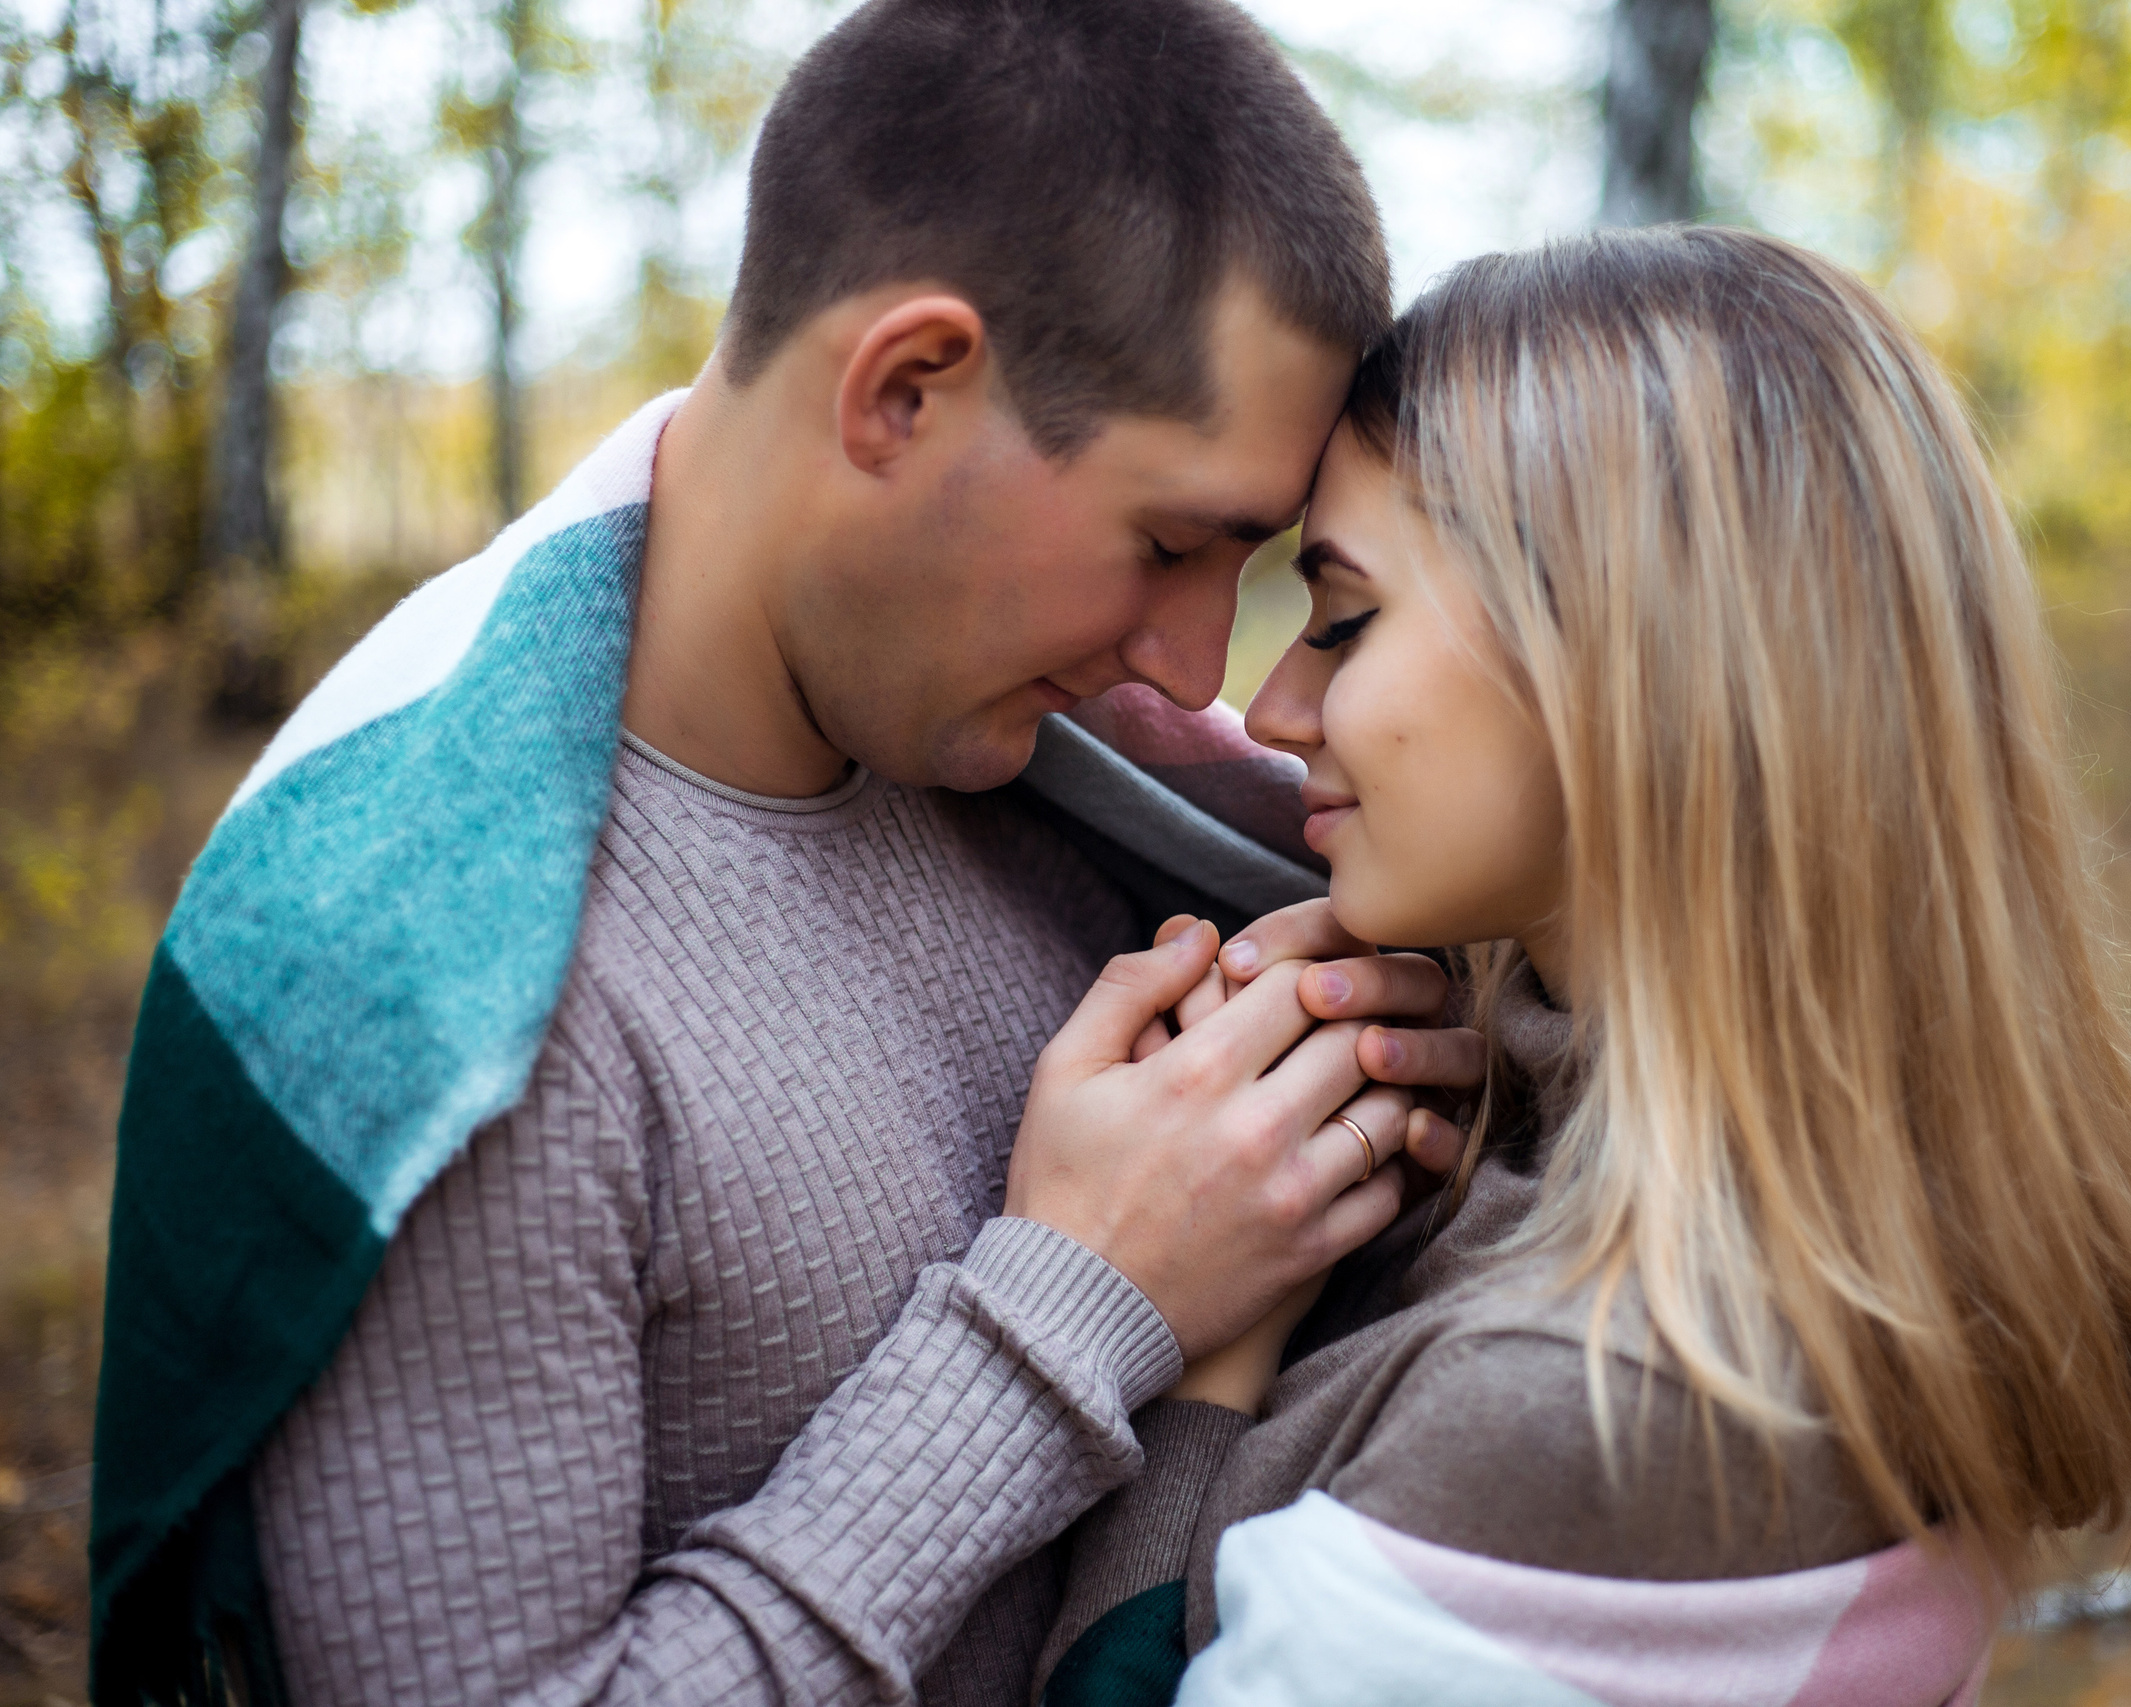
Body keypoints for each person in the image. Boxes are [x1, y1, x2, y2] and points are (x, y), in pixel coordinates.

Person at [86, 3, 1485, 1703]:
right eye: (1171, 543)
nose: (1199, 672)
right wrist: (1064, 1315)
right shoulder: (440, 1000)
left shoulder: (1095, 797)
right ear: (904, 388)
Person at [1035, 226, 2131, 1706]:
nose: (1272, 706)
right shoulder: (1866, 1225)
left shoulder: (1593, 1415)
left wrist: (1195, 1342)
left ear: (1614, 656)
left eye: (1344, 618)